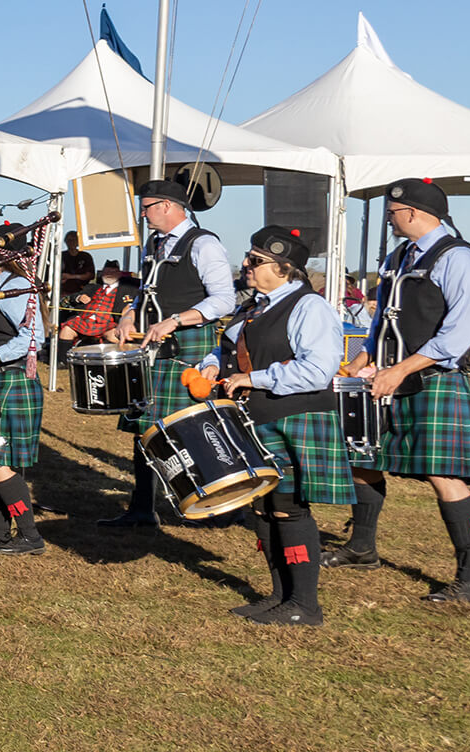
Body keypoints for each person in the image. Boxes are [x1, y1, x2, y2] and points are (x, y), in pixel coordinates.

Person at [334, 179, 470, 602]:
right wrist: (362, 358)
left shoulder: (458, 258)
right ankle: (361, 548)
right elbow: (383, 321)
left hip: (432, 381)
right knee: (362, 456)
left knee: (444, 475)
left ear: (413, 212)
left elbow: (457, 336)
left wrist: (401, 369)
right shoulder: (400, 255)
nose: (389, 217)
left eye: (392, 211)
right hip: (388, 376)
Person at [190, 227, 350, 626]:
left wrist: (255, 378)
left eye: (256, 261)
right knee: (263, 506)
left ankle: (306, 604)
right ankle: (279, 595)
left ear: (283, 269)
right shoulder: (253, 307)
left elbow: (318, 368)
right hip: (257, 417)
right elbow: (229, 346)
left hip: (294, 416)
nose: (246, 264)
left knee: (289, 509)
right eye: (249, 256)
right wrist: (212, 363)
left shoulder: (309, 307)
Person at [100, 180, 235, 527]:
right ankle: (143, 507)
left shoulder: (204, 244)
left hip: (187, 350)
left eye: (146, 207)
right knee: (145, 431)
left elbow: (223, 299)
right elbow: (146, 289)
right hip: (152, 349)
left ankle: (211, 505)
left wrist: (175, 320)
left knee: (190, 431)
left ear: (168, 206)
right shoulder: (154, 244)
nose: (142, 214)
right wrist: (130, 316)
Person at [0, 221, 48, 556]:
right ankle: (1, 531)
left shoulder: (18, 284)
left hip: (14, 378)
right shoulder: (5, 281)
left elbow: (35, 338)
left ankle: (30, 534)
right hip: (4, 378)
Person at [60, 260, 130, 350]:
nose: (109, 274)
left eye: (113, 272)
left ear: (119, 274)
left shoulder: (126, 290)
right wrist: (79, 297)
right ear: (102, 273)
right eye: (107, 271)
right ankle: (62, 363)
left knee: (114, 336)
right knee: (66, 331)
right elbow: (73, 297)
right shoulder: (92, 287)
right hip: (84, 321)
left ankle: (114, 363)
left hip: (108, 324)